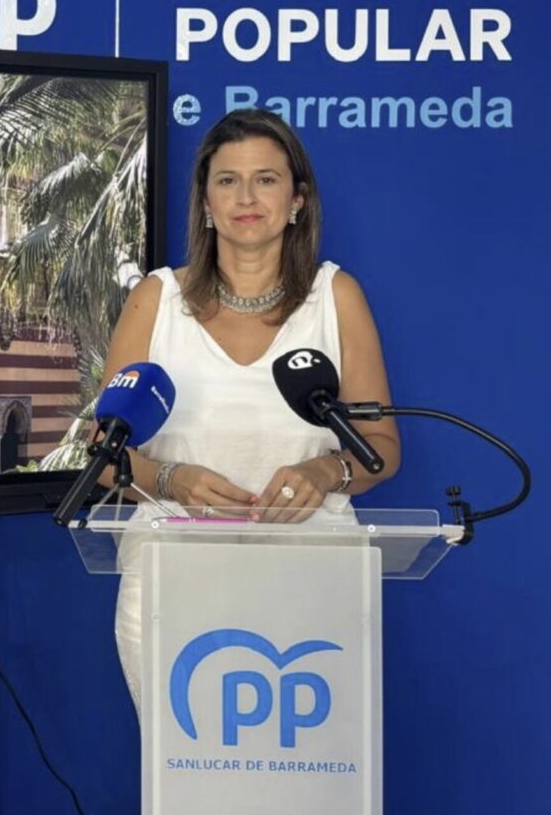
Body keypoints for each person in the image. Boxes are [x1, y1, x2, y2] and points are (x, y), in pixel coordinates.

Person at [97, 108, 401, 708]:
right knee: (184, 761)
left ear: (297, 200)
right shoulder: (155, 300)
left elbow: (382, 450)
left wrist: (325, 471)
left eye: (266, 179)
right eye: (228, 180)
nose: (246, 197)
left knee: (305, 765)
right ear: (206, 202)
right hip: (171, 582)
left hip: (312, 581)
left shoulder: (336, 297)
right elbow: (103, 456)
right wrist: (171, 479)